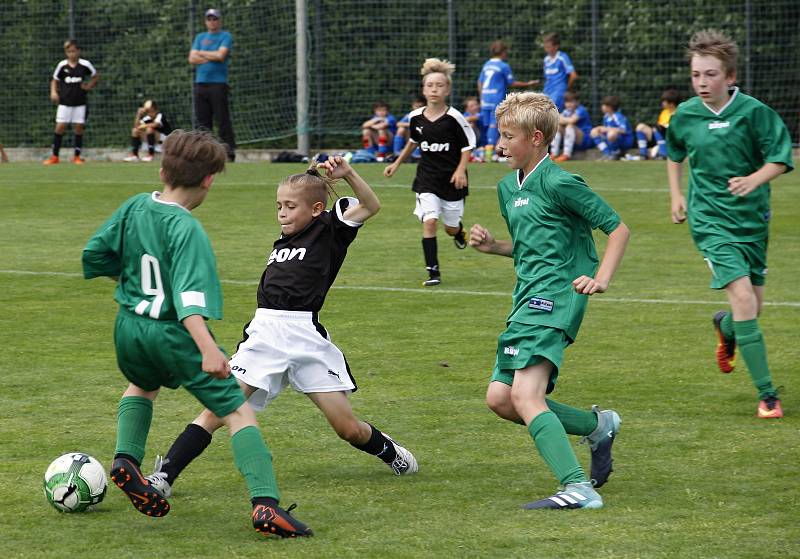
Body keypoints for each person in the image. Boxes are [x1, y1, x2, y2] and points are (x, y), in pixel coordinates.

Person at [144, 155, 418, 510]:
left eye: (291, 206)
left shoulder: (331, 228)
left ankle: (388, 450)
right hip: (266, 333)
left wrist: (347, 173)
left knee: (347, 428)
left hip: (305, 334)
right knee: (219, 405)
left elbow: (371, 205)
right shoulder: (284, 239)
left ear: (317, 208)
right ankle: (164, 476)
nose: (282, 213)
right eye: (279, 206)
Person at [81, 130, 311, 538]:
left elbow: (94, 255)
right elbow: (189, 300)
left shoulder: (134, 207)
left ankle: (125, 460)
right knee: (237, 411)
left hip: (128, 327)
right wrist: (209, 349)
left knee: (141, 385)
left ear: (162, 168)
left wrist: (133, 283)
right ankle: (266, 505)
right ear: (209, 180)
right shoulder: (187, 230)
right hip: (172, 333)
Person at [470, 92, 630, 510]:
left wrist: (601, 279)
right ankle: (597, 425)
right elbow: (529, 249)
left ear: (536, 138)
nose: (499, 144)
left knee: (526, 396)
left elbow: (617, 229)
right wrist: (493, 248)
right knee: (501, 400)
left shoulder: (561, 181)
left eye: (508, 136)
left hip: (557, 297)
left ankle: (577, 487)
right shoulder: (508, 188)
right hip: (525, 298)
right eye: (498, 134)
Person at [667, 29, 793, 419]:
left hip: (753, 221)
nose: (702, 83)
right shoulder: (685, 115)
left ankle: (728, 330)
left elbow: (781, 158)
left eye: (710, 75)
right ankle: (767, 395)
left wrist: (755, 179)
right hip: (710, 221)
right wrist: (676, 194)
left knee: (752, 307)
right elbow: (674, 153)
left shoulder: (755, 113)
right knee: (741, 299)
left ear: (730, 76)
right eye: (696, 75)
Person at [385, 58, 476, 287]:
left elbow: (467, 146)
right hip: (426, 180)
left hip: (452, 181)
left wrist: (461, 170)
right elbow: (413, 142)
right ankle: (433, 272)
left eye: (439, 85)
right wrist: (396, 163)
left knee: (450, 227)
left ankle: (458, 233)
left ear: (448, 90)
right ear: (424, 89)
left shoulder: (454, 118)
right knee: (430, 222)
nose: (434, 89)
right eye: (430, 85)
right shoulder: (415, 117)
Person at [477, 41, 538, 162]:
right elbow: (511, 82)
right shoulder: (503, 66)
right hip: (495, 99)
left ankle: (485, 152)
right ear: (503, 52)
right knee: (495, 125)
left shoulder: (486, 64)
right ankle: (493, 154)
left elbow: (480, 82)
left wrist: (481, 97)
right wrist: (528, 84)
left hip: (485, 98)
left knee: (487, 125)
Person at [189, 8, 235, 162]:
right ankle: (204, 153)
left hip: (218, 84)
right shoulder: (200, 37)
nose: (212, 21)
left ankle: (229, 152)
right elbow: (191, 58)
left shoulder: (225, 36)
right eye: (209, 19)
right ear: (205, 21)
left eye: (214, 18)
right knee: (202, 122)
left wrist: (201, 53)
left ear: (219, 20)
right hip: (201, 84)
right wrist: (211, 55)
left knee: (222, 119)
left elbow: (221, 55)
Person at [43, 40, 99, 165]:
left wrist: (89, 86)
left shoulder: (85, 65)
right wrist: (53, 92)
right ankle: (55, 156)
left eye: (73, 51)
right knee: (60, 127)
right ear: (66, 53)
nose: (71, 54)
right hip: (64, 102)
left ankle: (77, 156)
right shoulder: (62, 65)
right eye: (69, 52)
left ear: (78, 51)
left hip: (80, 102)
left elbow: (95, 76)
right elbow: (54, 80)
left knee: (78, 128)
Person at [634, 89, 680, 160]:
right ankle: (643, 154)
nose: (662, 103)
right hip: (658, 137)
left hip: (670, 139)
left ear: (671, 103)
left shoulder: (679, 112)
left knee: (658, 128)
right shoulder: (664, 112)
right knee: (640, 127)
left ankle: (663, 154)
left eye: (664, 101)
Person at [549, 90, 593, 162]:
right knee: (558, 127)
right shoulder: (567, 111)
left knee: (570, 126)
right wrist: (562, 119)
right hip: (573, 139)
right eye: (567, 102)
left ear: (577, 102)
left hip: (585, 139)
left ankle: (566, 154)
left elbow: (572, 120)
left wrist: (562, 119)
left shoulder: (581, 110)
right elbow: (556, 120)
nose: (569, 104)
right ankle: (554, 153)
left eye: (571, 102)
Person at [542, 32, 578, 112]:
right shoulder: (546, 59)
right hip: (547, 91)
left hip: (558, 92)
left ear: (556, 46)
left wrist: (566, 88)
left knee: (550, 113)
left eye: (549, 47)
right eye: (545, 47)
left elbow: (574, 75)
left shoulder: (562, 57)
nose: (546, 49)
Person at [590, 95, 634, 160]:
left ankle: (616, 153)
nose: (602, 107)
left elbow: (623, 130)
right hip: (612, 139)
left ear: (609, 107)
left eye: (604, 105)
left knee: (611, 134)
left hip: (625, 140)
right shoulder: (606, 117)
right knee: (594, 131)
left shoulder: (618, 116)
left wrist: (607, 129)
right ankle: (607, 153)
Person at [393, 95, 426, 160]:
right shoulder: (409, 115)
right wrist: (411, 124)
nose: (418, 109)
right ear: (412, 106)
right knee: (401, 129)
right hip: (409, 138)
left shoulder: (426, 115)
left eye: (420, 107)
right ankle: (397, 153)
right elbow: (398, 124)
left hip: (423, 141)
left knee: (419, 130)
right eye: (416, 106)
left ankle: (416, 155)